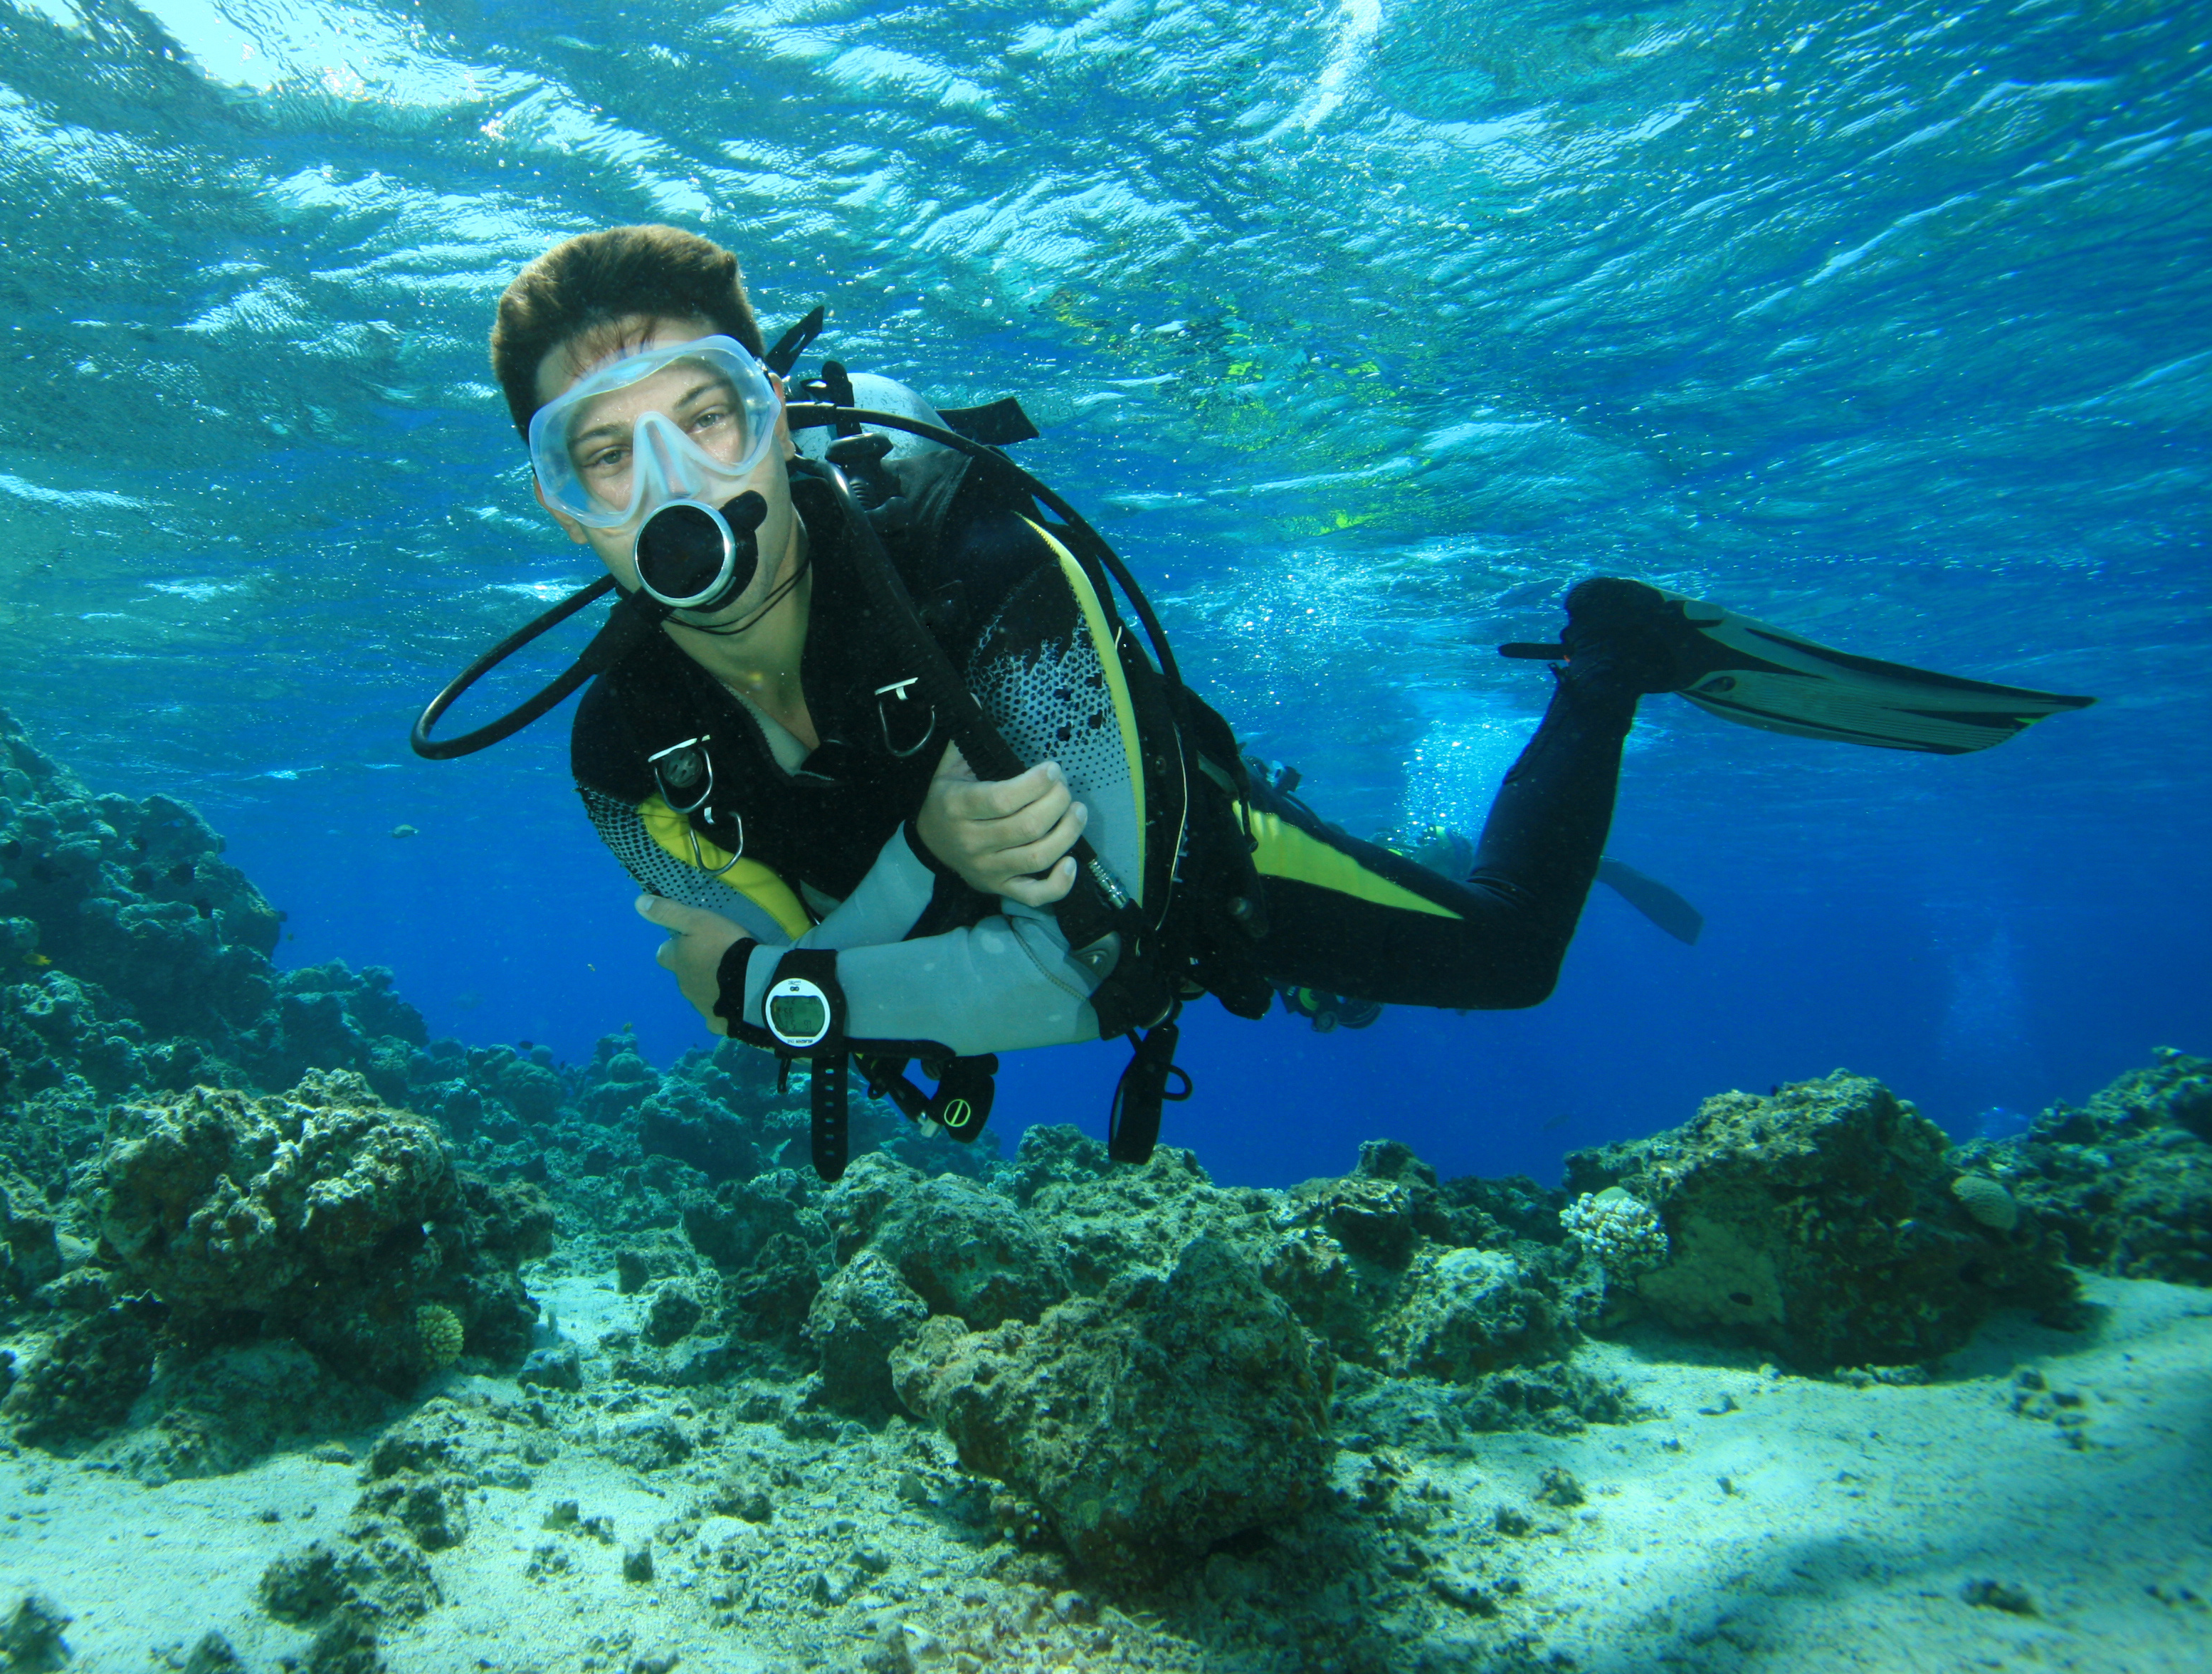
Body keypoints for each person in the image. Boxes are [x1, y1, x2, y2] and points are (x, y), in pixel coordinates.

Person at [431, 224, 2091, 1173]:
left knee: (1505, 956)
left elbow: (1082, 967)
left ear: (781, 417)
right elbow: (784, 943)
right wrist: (906, 812)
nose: (671, 483)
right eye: (600, 447)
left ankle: (1613, 660)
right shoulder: (613, 749)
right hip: (988, 930)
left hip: (1188, 880)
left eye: (707, 415)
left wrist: (789, 990)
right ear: (559, 504)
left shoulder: (990, 579)